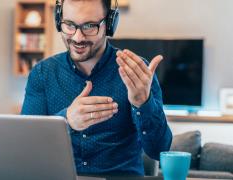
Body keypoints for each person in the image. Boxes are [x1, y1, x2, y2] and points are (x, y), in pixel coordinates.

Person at [21, 0, 172, 176]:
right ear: (58, 21)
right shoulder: (42, 73)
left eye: (89, 26)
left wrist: (143, 103)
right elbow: (26, 146)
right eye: (69, 25)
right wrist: (66, 121)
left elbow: (160, 152)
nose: (77, 37)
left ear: (109, 24)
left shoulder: (137, 72)